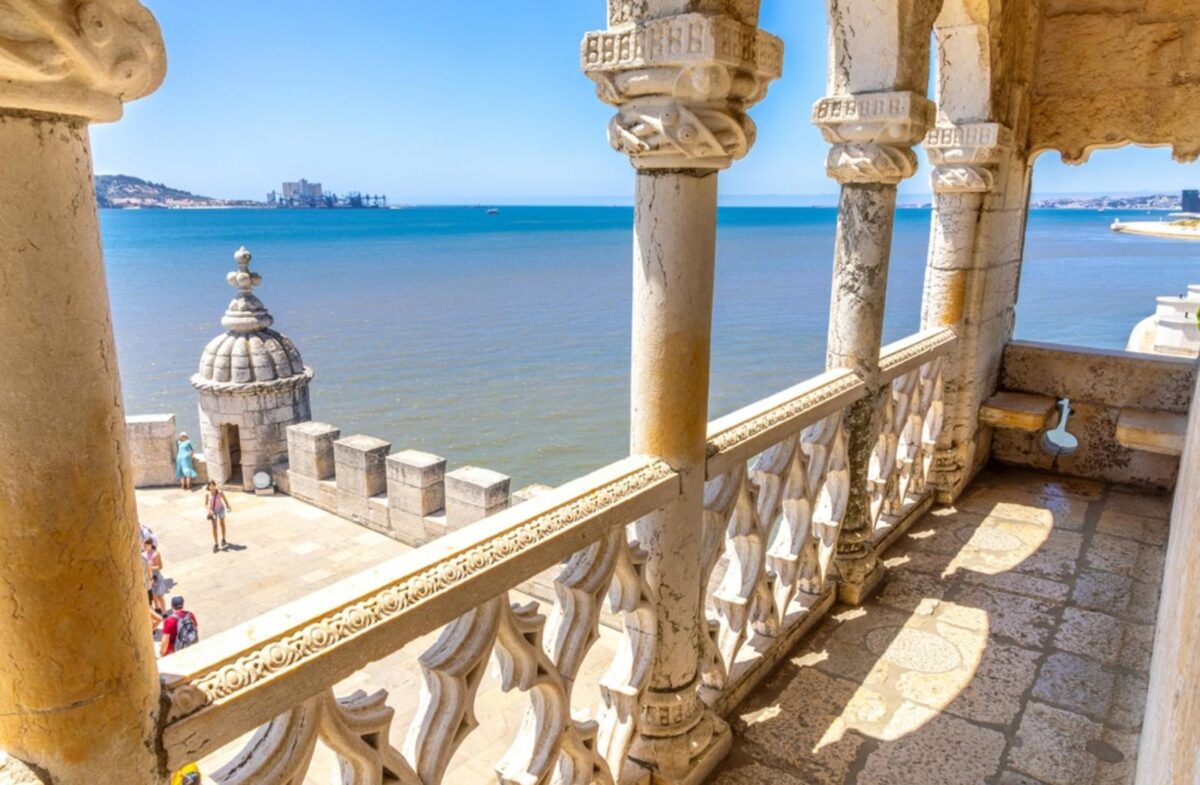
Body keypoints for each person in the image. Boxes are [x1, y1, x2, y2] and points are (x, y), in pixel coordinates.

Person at [204, 479, 232, 552]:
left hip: (221, 509)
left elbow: (225, 500)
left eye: (213, 485)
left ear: (215, 485)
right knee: (214, 527)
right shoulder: (207, 494)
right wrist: (208, 510)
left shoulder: (219, 492)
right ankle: (216, 544)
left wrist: (228, 506)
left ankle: (223, 539)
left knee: (222, 524)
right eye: (211, 486)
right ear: (209, 487)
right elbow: (206, 504)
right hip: (213, 512)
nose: (212, 487)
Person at [143, 538, 166, 615]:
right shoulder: (144, 554)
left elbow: (160, 566)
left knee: (159, 595)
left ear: (151, 545)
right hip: (148, 577)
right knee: (153, 595)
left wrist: (149, 568)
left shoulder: (156, 554)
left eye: (146, 545)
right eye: (144, 544)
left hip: (156, 576)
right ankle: (157, 609)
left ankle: (164, 612)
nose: (144, 546)